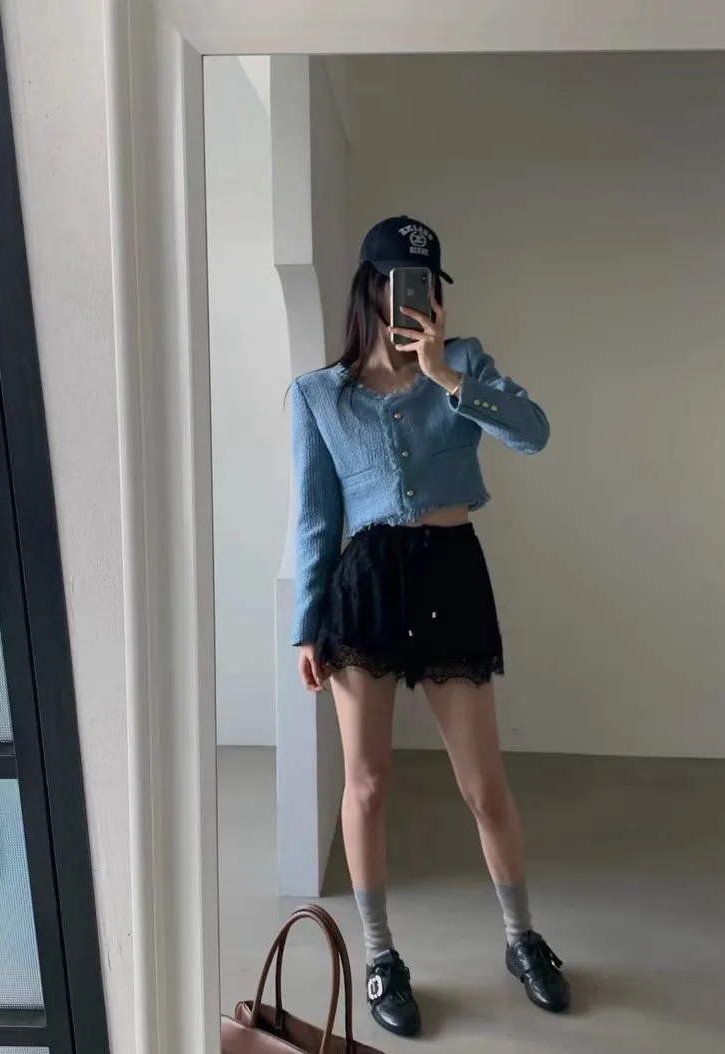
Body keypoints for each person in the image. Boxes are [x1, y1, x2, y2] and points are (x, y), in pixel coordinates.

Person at [290, 215, 570, 1038]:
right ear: (370, 289)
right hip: (366, 586)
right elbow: (315, 520)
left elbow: (534, 434)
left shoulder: (465, 364)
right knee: (367, 784)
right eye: (396, 282)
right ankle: (380, 956)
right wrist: (307, 627)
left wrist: (446, 374)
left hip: (452, 574)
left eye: (425, 284)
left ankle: (522, 937)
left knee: (484, 786)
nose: (411, 298)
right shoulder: (318, 395)